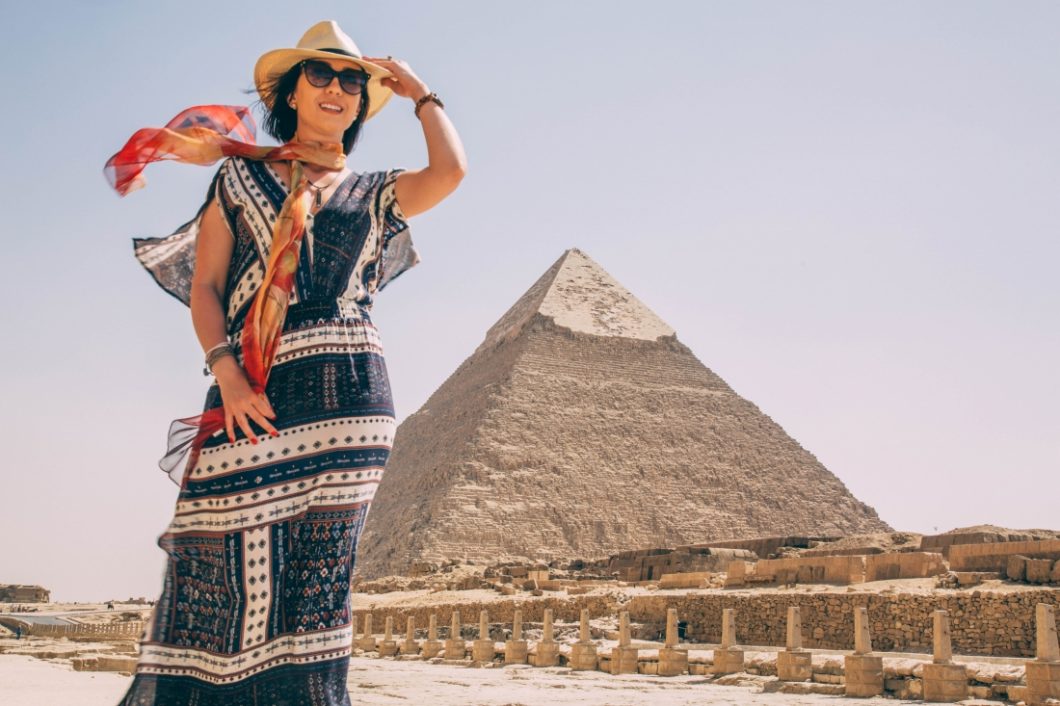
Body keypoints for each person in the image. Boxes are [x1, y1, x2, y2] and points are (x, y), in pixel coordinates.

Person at [107, 20, 466, 706]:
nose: (338, 88)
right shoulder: (238, 179)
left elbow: (451, 171)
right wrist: (228, 374)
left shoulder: (377, 192)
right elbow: (207, 288)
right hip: (253, 393)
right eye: (322, 74)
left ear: (363, 102)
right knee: (207, 572)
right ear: (292, 92)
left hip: (350, 401)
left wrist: (421, 91)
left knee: (314, 599)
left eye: (354, 80)